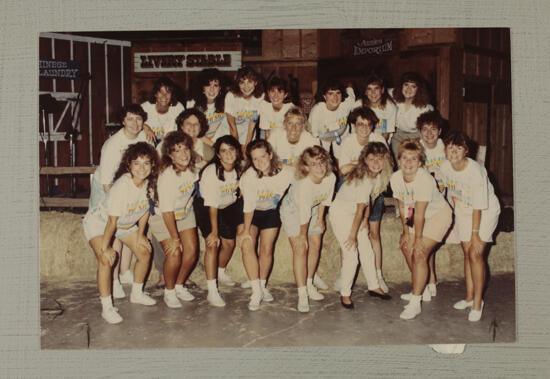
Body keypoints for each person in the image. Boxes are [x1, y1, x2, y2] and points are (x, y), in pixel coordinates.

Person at [82, 142, 159, 324]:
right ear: (129, 165)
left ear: (152, 165)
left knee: (145, 251)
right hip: (100, 223)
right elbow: (111, 222)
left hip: (124, 224)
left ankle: (137, 294)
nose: (142, 168)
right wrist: (106, 247)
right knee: (106, 259)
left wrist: (141, 235)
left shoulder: (150, 183)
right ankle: (107, 307)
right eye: (137, 163)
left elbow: (146, 211)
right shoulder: (122, 187)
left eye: (146, 163)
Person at [440, 131, 501, 322]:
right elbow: (446, 188)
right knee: (467, 253)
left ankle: (477, 302)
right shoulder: (444, 166)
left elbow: (479, 206)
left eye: (459, 148)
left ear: (466, 151)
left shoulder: (476, 171)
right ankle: (468, 297)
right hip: (464, 209)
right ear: (446, 149)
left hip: (485, 210)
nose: (454, 152)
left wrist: (475, 233)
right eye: (450, 148)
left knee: (476, 253)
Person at [89, 104, 149, 295]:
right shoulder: (112, 145)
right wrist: (117, 201)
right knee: (114, 231)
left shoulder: (142, 136)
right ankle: (114, 280)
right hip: (107, 188)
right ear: (122, 121)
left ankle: (125, 271)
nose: (135, 123)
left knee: (129, 225)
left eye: (139, 119)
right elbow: (107, 182)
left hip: (129, 184)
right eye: (130, 119)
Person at [390, 139, 452, 320]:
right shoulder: (395, 178)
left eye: (414, 159)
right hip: (414, 214)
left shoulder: (424, 179)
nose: (408, 163)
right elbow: (403, 206)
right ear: (399, 160)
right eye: (405, 158)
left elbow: (420, 213)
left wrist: (417, 238)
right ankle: (422, 287)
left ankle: (416, 302)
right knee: (405, 246)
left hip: (438, 215)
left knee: (419, 252)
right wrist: (405, 232)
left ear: (420, 162)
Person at [328, 142, 392, 309]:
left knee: (368, 251)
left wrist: (366, 219)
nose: (376, 163)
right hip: (341, 214)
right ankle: (345, 293)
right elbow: (358, 210)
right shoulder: (363, 179)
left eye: (380, 159)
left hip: (355, 213)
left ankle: (374, 286)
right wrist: (352, 235)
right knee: (351, 254)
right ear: (365, 160)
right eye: (371, 159)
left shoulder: (379, 177)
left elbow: (368, 200)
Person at [237, 140, 293, 310]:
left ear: (270, 155)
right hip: (251, 212)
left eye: (263, 157)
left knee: (266, 249)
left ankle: (262, 286)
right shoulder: (249, 177)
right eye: (255, 159)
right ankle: (256, 291)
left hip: (270, 211)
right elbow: (248, 206)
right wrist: (246, 231)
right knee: (247, 244)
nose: (260, 162)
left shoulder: (286, 172)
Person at [280, 146, 336, 312]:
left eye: (322, 162)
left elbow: (325, 200)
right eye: (314, 164)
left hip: (313, 207)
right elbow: (303, 214)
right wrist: (302, 236)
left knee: (316, 244)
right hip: (293, 210)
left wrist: (320, 219)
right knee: (300, 248)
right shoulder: (304, 185)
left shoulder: (331, 177)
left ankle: (310, 282)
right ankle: (302, 293)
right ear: (305, 167)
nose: (320, 167)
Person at [148, 131, 199, 308]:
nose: (183, 154)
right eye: (177, 151)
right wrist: (175, 238)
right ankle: (169, 292)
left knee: (191, 252)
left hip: (184, 212)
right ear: (170, 155)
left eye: (185, 149)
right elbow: (167, 212)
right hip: (163, 217)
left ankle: (178, 285)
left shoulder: (193, 169)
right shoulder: (167, 176)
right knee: (175, 252)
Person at [194, 135, 243, 306]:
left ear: (237, 151)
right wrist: (214, 232)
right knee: (212, 244)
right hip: (208, 208)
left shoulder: (239, 168)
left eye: (231, 149)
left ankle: (220, 271)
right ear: (218, 155)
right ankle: (212, 290)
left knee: (229, 244)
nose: (228, 154)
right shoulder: (211, 172)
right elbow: (212, 206)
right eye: (223, 151)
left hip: (227, 206)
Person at [417, 110, 448, 298]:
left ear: (440, 131)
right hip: (420, 200)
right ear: (419, 132)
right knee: (420, 243)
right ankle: (428, 281)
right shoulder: (416, 148)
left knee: (428, 243)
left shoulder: (445, 148)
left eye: (433, 129)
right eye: (425, 129)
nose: (429, 133)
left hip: (440, 200)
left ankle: (430, 280)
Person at [390, 72, 434, 161]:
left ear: (418, 89)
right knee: (400, 163)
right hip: (397, 136)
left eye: (413, 86)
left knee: (414, 162)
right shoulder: (392, 96)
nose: (409, 89)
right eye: (406, 85)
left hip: (416, 137)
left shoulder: (424, 108)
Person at [308, 78, 355, 157]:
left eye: (338, 93)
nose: (335, 97)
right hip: (323, 138)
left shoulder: (347, 104)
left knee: (343, 159)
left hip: (341, 135)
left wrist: (349, 85)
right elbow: (313, 136)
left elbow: (350, 87)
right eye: (330, 93)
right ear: (324, 96)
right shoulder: (317, 112)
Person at [186, 68, 229, 147]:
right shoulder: (192, 104)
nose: (212, 89)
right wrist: (214, 146)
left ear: (220, 89)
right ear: (202, 88)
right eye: (208, 85)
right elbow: (193, 132)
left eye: (215, 85)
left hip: (219, 144)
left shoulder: (226, 103)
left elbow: (226, 130)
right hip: (198, 144)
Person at [224, 66, 264, 148]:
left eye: (249, 81)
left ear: (255, 82)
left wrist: (247, 146)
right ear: (238, 84)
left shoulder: (260, 97)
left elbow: (252, 125)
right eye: (242, 82)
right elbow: (232, 126)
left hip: (248, 136)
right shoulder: (231, 96)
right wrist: (236, 147)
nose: (246, 86)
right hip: (230, 134)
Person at [141, 77, 185, 143]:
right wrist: (146, 127)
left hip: (169, 145)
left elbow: (184, 128)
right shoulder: (145, 107)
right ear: (155, 94)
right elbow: (133, 123)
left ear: (172, 95)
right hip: (148, 145)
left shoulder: (178, 107)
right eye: (161, 92)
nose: (164, 96)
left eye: (168, 92)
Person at [355, 74, 397, 142]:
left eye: (376, 88)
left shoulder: (390, 107)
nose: (373, 93)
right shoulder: (358, 105)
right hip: (361, 140)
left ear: (382, 90)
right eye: (369, 89)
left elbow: (386, 135)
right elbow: (355, 130)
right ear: (365, 92)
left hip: (381, 142)